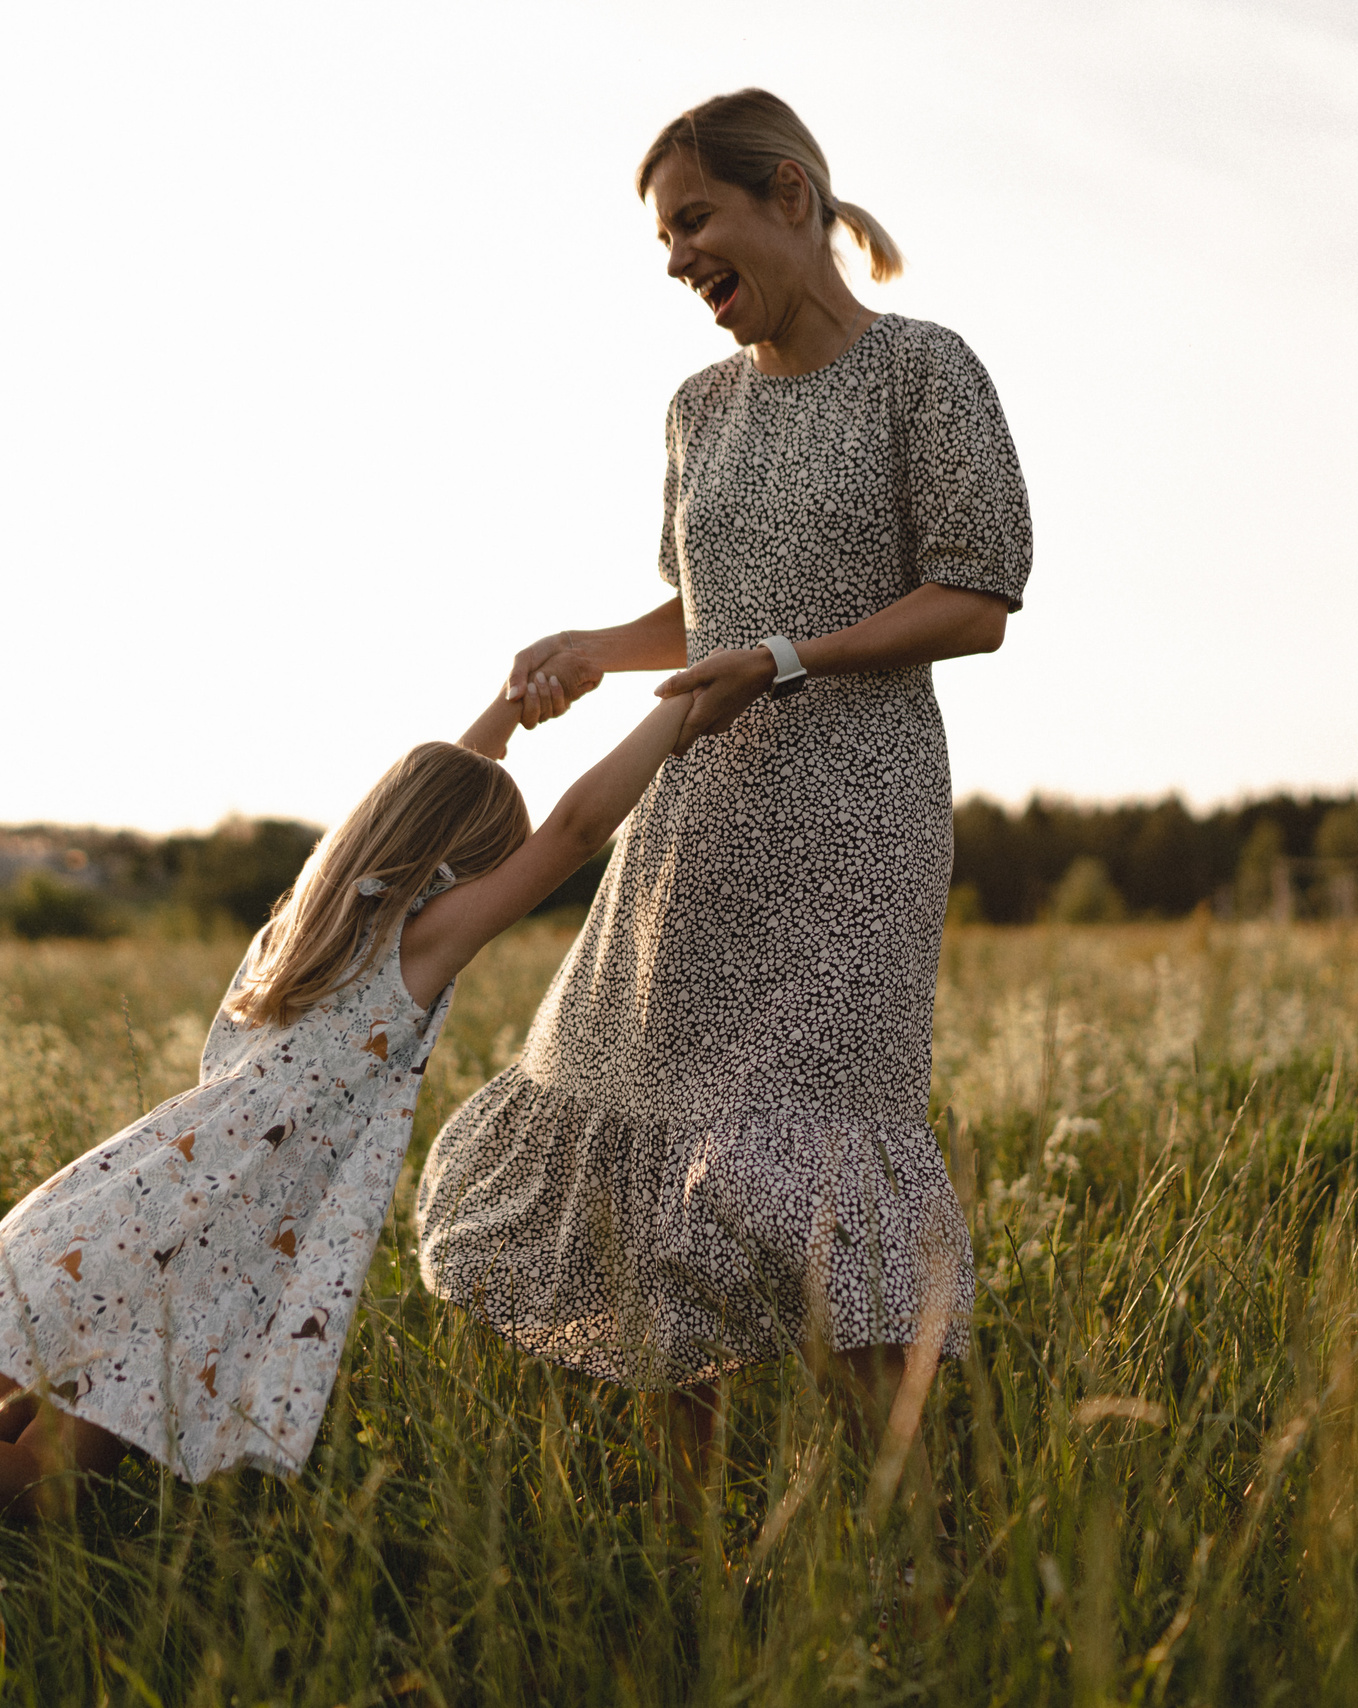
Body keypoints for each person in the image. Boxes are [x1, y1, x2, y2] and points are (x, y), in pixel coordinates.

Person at [0, 682, 691, 1539]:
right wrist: (682, 709)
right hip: (189, 1244)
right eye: (478, 870)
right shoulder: (417, 944)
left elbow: (432, 797)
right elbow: (572, 831)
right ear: (456, 872)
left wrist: (499, 717)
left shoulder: (313, 921)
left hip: (141, 1205)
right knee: (40, 1472)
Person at [414, 88, 1031, 1520]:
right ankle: (685, 1533)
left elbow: (978, 595)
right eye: (666, 236)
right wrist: (598, 645)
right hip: (695, 814)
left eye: (695, 220)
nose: (678, 258)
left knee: (809, 1151)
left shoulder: (924, 374)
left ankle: (923, 1531)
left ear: (794, 199)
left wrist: (793, 660)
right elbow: (706, 604)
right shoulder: (698, 408)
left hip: (849, 819)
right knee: (649, 1144)